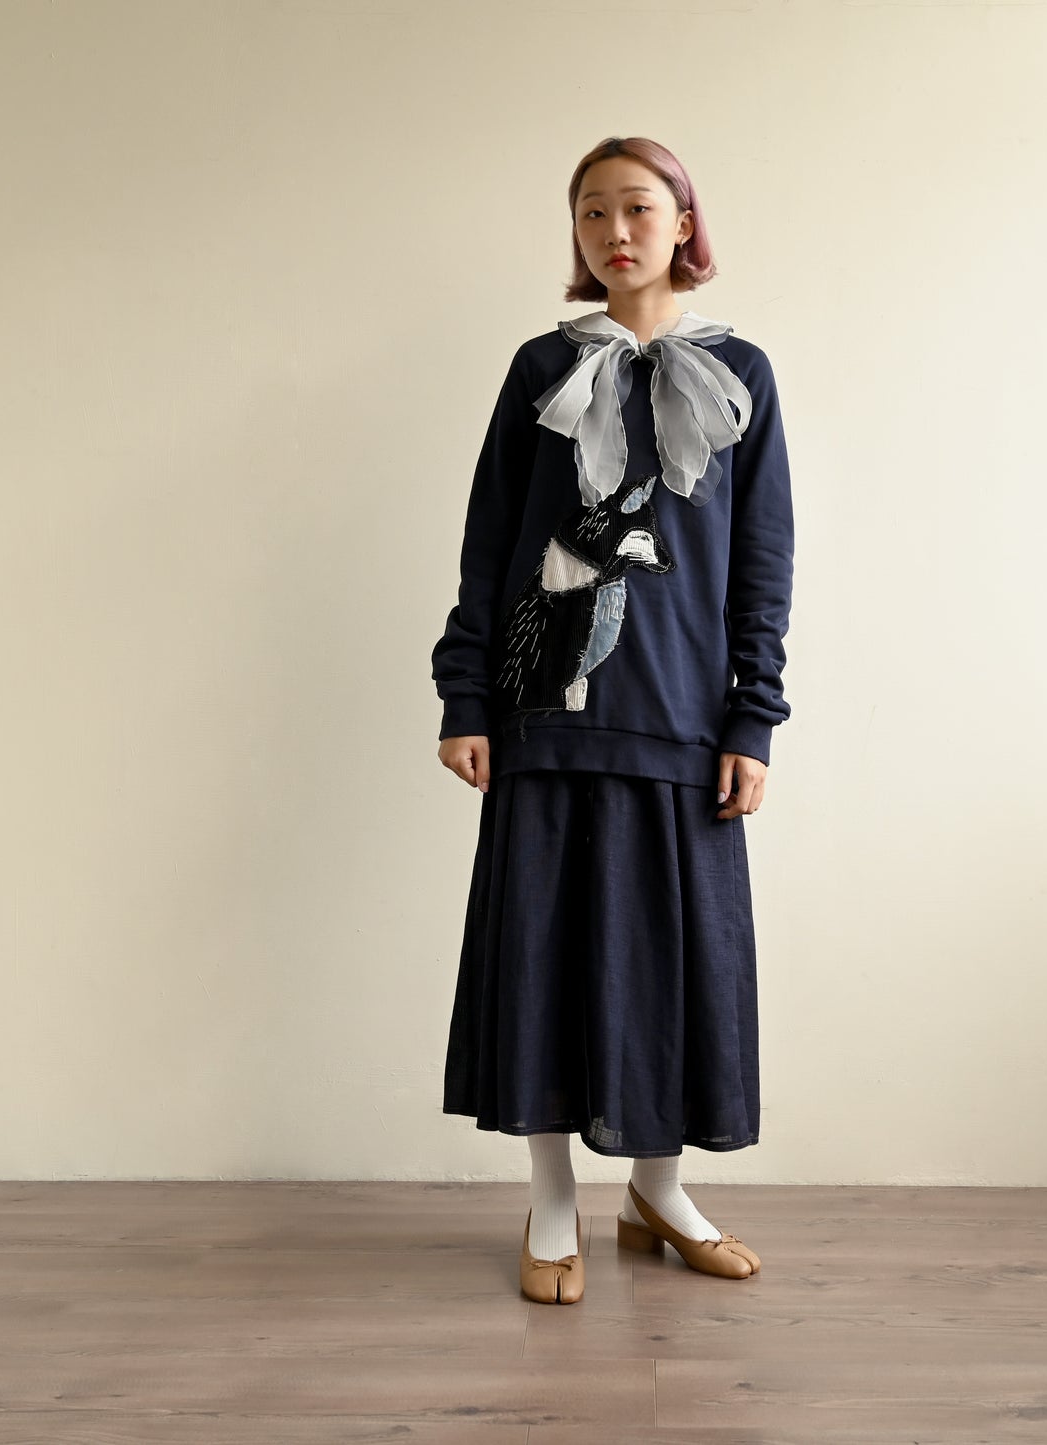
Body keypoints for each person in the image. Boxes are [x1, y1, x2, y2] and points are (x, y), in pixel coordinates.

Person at [430, 135, 794, 1305]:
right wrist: (465, 693)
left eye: (636, 207)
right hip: (543, 711)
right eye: (591, 212)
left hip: (684, 718)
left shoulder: (741, 371)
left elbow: (761, 562)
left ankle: (656, 1190)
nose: (614, 231)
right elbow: (490, 541)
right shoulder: (541, 366)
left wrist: (751, 718)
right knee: (541, 950)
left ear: (683, 222)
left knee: (675, 962)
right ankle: (551, 1199)